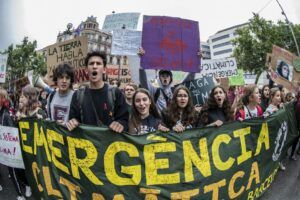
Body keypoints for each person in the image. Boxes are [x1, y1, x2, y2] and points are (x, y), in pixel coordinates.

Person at [67, 51, 129, 133]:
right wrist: (73, 122)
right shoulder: (78, 95)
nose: (94, 66)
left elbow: (124, 120)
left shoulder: (115, 93)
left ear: (104, 70)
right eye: (91, 63)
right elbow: (73, 119)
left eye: (98, 63)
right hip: (87, 144)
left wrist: (120, 124)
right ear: (86, 70)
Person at [138, 48, 197, 112]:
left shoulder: (174, 89)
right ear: (159, 78)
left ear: (171, 78)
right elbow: (144, 82)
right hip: (159, 120)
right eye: (163, 76)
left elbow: (188, 80)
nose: (165, 78)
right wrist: (142, 62)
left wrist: (196, 60)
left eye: (167, 76)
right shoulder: (154, 86)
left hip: (172, 119)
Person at [0, 89, 31, 200]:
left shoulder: (6, 115)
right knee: (12, 171)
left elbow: (12, 132)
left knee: (17, 169)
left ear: (2, 99)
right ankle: (20, 193)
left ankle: (25, 187)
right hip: (4, 148)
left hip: (11, 148)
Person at [263, 88, 286, 170]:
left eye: (280, 96)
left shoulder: (278, 107)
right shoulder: (269, 110)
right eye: (277, 96)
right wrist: (273, 113)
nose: (279, 98)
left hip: (278, 134)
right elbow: (264, 121)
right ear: (272, 97)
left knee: (279, 150)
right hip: (272, 137)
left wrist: (281, 110)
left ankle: (278, 163)